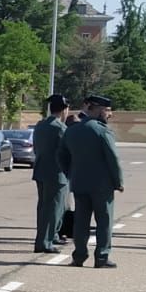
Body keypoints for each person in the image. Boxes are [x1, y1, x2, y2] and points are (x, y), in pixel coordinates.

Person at [59, 93, 126, 268]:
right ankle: (101, 257)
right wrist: (118, 181)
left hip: (79, 183)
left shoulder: (72, 130)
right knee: (104, 221)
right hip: (102, 186)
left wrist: (71, 174)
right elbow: (112, 158)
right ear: (95, 109)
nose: (109, 114)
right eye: (106, 110)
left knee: (81, 223)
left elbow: (61, 157)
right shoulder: (102, 130)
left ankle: (79, 257)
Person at [31, 93, 69, 254]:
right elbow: (67, 152)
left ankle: (48, 237)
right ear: (64, 110)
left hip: (41, 170)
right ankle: (44, 242)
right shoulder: (60, 128)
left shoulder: (40, 125)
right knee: (54, 208)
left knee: (43, 207)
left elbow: (36, 148)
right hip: (57, 173)